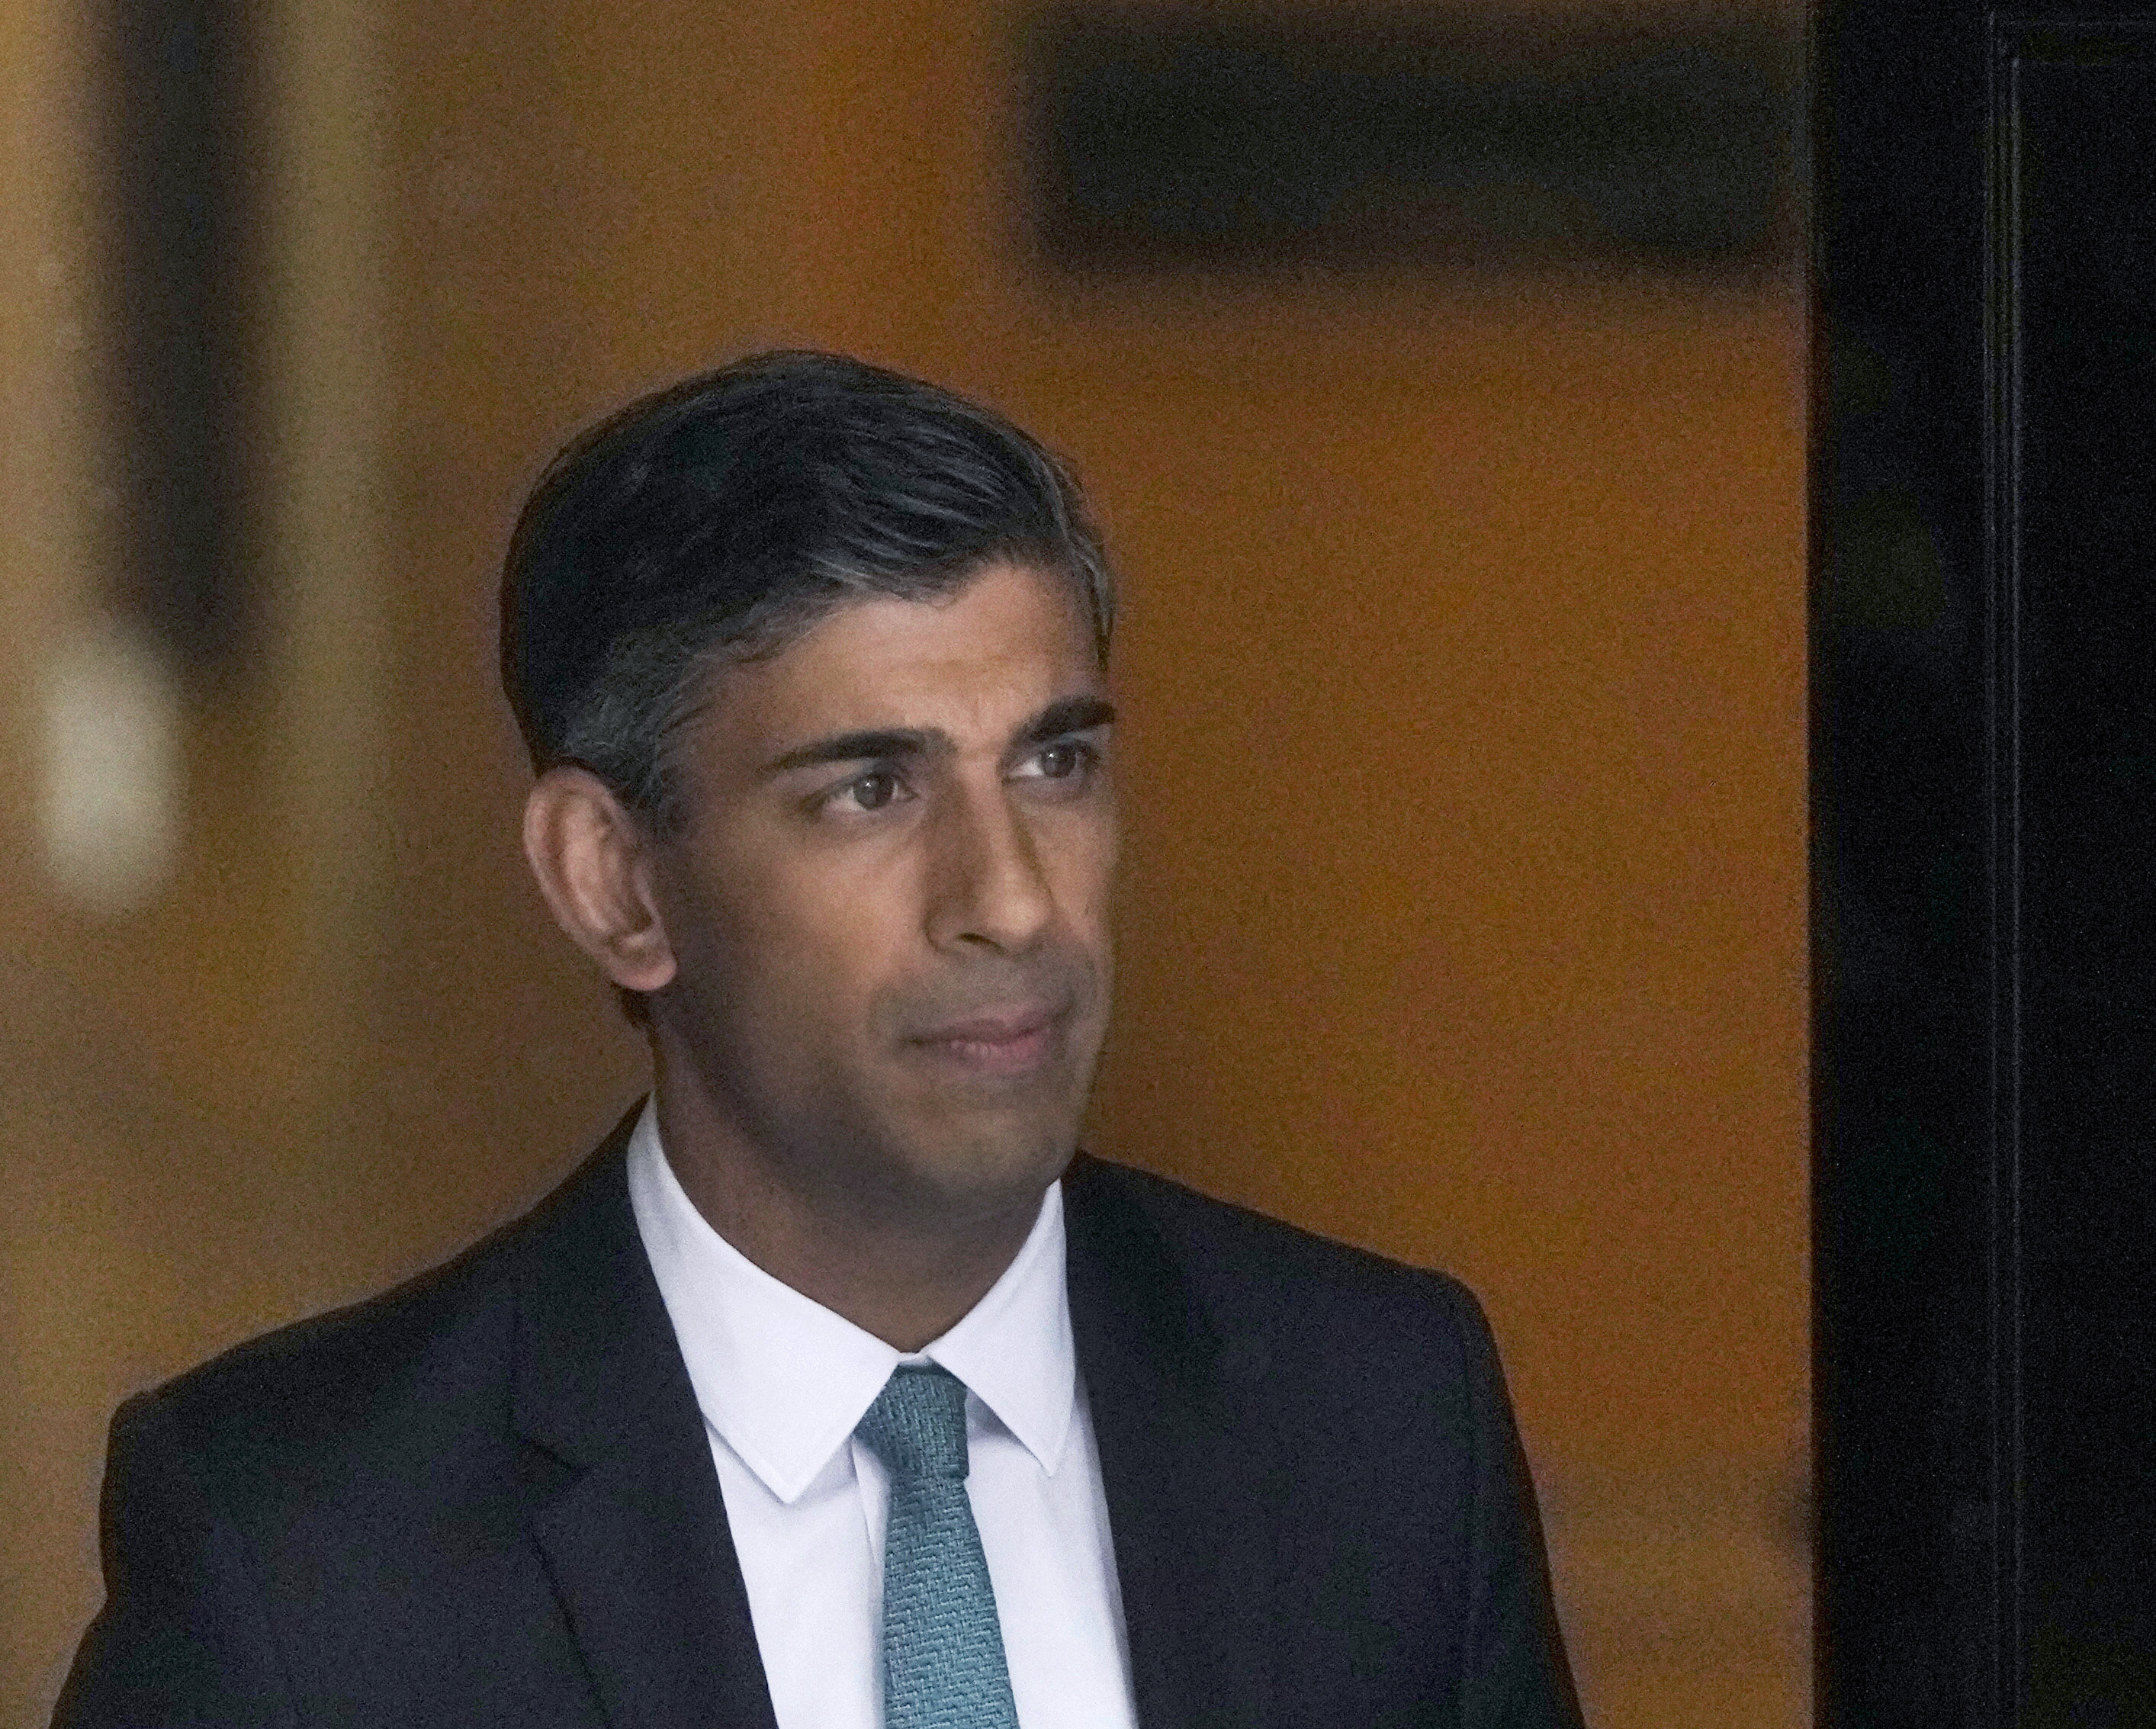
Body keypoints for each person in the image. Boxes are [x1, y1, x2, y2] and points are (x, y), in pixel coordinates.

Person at [55, 350, 1583, 1729]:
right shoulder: (303, 1542)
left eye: (1054, 764)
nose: (1010, 901)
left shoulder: (1382, 1418)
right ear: (613, 881)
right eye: (869, 790)